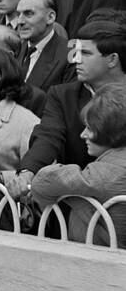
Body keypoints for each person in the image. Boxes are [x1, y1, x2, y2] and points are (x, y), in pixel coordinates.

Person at [7, 11, 126, 200]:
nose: (76, 59)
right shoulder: (63, 95)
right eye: (75, 51)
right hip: (72, 204)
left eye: (85, 53)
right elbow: (47, 137)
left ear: (112, 59)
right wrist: (28, 171)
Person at [30, 88, 126, 245]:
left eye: (89, 128)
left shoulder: (107, 173)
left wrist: (71, 196)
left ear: (109, 131)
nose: (83, 135)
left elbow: (41, 184)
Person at [14, 0, 71, 93]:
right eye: (18, 14)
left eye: (28, 14)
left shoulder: (69, 55)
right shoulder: (15, 49)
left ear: (50, 17)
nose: (20, 21)